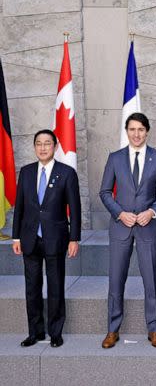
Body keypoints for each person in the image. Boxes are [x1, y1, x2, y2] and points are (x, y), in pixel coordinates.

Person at [99, 112, 156, 348]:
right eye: (132, 129)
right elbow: (105, 192)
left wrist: (151, 212)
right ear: (127, 131)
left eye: (141, 129)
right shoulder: (115, 158)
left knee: (151, 280)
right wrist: (120, 213)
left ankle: (154, 329)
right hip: (121, 226)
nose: (136, 134)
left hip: (148, 227)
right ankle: (112, 329)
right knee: (116, 280)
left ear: (147, 131)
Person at [12, 129, 81, 348]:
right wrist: (15, 237)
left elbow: (75, 209)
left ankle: (55, 332)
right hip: (30, 239)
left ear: (55, 146)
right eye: (39, 144)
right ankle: (35, 332)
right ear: (35, 147)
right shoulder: (26, 172)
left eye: (47, 144)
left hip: (56, 239)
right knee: (32, 288)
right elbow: (20, 207)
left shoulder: (67, 173)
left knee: (55, 287)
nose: (43, 148)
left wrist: (74, 238)